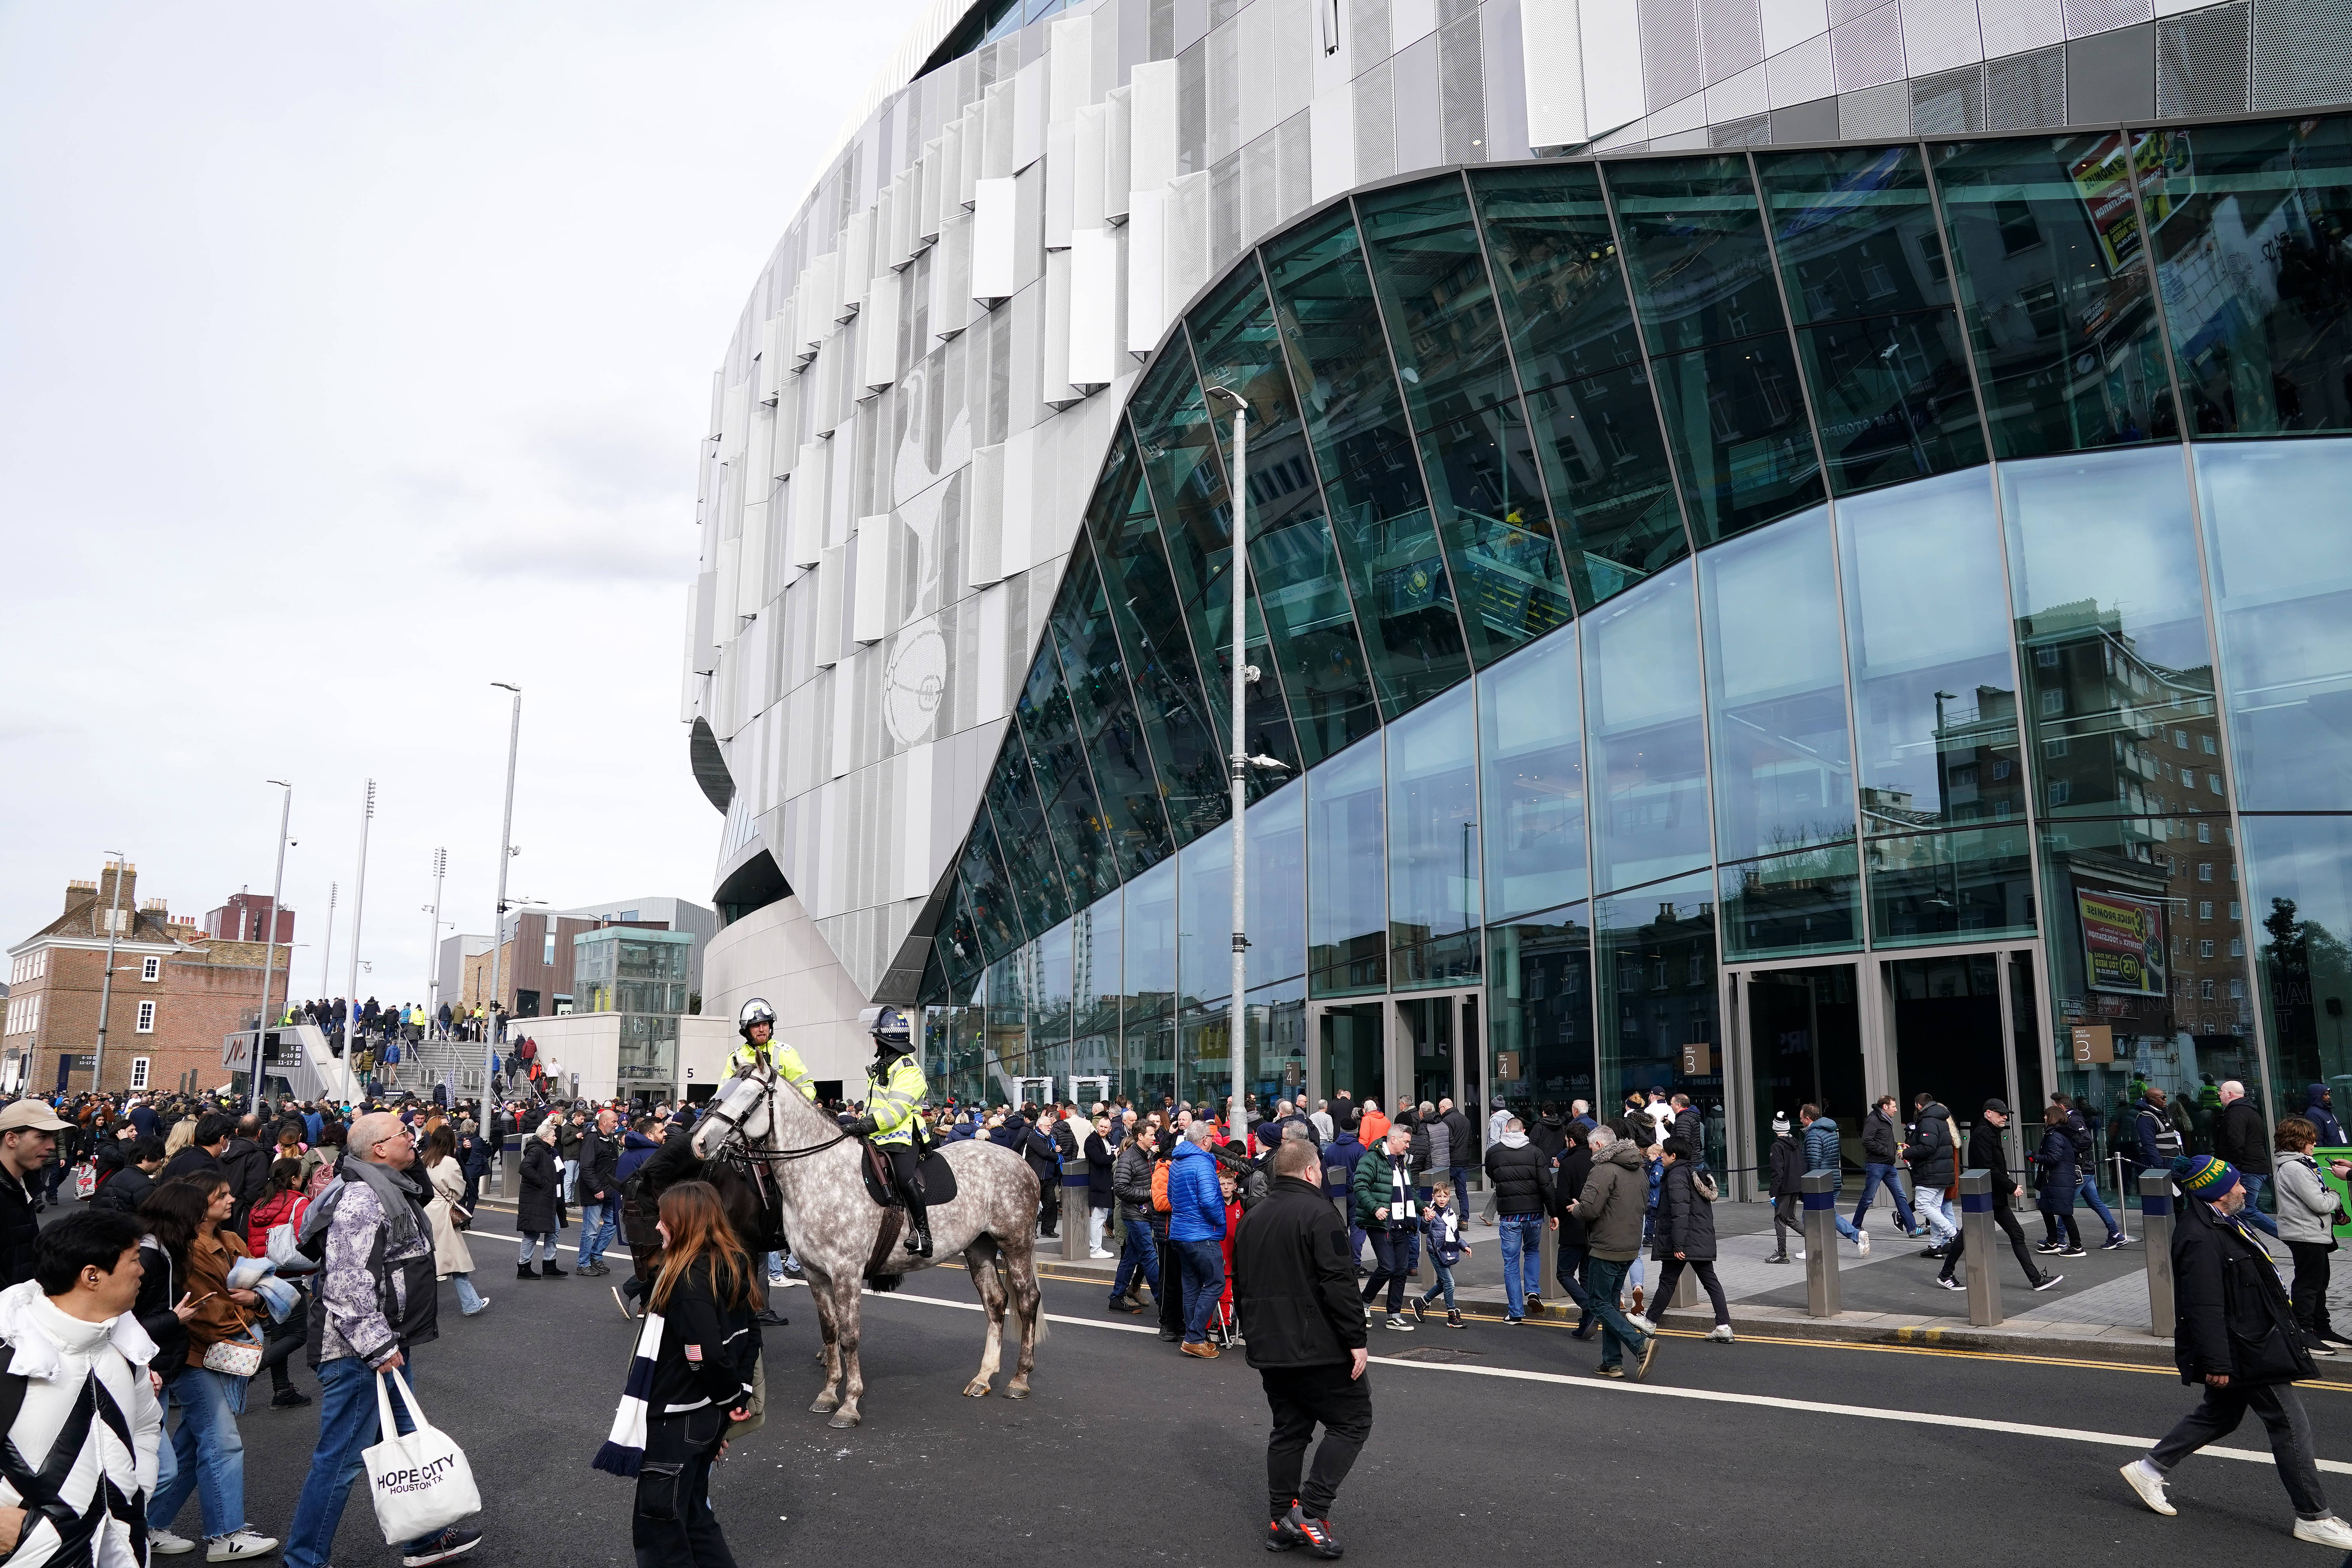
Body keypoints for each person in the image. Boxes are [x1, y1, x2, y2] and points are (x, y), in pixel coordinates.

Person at [2118, 1155, 2352, 1548]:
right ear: (2217, 1191)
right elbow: (2204, 1306)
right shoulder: (2199, 1236)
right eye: (2237, 1184)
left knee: (2221, 1415)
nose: (2244, 1189)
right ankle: (2313, 1516)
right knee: (2291, 1426)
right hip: (2246, 1349)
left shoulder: (2222, 1221)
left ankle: (2148, 1468)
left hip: (2250, 1339)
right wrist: (2218, 1363)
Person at [282, 1111, 477, 1568]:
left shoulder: (390, 1187)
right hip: (359, 1350)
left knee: (407, 1439)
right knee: (341, 1460)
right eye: (403, 1134)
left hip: (383, 1340)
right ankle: (303, 1559)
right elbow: (348, 1285)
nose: (413, 1139)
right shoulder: (362, 1198)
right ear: (378, 1149)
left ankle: (424, 1539)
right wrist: (379, 1347)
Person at [0, 1208, 165, 1568]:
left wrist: (137, 1489)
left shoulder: (125, 1344)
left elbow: (148, 1426)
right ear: (92, 1276)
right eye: (135, 1259)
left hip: (126, 1546)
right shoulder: (11, 1349)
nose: (143, 1270)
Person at [610, 1181, 760, 1568]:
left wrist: (727, 1404)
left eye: (664, 1218)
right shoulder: (730, 1264)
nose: (657, 1226)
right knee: (694, 1519)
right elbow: (749, 1337)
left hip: (676, 1420)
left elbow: (704, 1355)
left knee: (660, 1532)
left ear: (684, 1223)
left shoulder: (686, 1280)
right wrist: (731, 1406)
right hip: (703, 1418)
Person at [1232, 1135, 1367, 1559]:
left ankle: (1280, 1521)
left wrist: (1252, 1332)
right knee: (1352, 1421)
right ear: (1312, 1170)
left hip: (1268, 1343)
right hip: (1318, 1344)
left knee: (1289, 1429)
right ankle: (1311, 1509)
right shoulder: (1320, 1211)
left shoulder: (1254, 1217)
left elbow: (1241, 1282)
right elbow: (1339, 1282)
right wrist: (1356, 1339)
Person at [142, 1173, 278, 1561]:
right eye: (221, 1196)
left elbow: (268, 1290)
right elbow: (207, 1311)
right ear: (194, 1210)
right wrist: (253, 1306)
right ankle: (225, 1535)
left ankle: (151, 1524)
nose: (232, 1199)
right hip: (196, 1354)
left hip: (194, 1352)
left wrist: (256, 1298)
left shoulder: (214, 1241)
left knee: (188, 1445)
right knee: (222, 1443)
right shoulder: (176, 1250)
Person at [1936, 1100, 2061, 1295]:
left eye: (2006, 1114)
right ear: (1988, 1114)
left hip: (1992, 1195)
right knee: (1970, 1235)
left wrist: (2005, 1179)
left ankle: (2036, 1279)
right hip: (1986, 1195)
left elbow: (1992, 1166)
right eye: (2000, 1114)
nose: (2005, 1117)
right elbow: (1987, 1167)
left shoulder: (1990, 1133)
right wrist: (2011, 1187)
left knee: (2011, 1234)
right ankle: (1946, 1274)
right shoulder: (1982, 1135)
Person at [1562, 1126, 1659, 1380]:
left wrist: (1577, 1209)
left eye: (1593, 1147)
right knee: (1611, 1305)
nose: (1591, 1151)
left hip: (1606, 1247)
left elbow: (1591, 1210)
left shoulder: (1602, 1170)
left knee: (1598, 1303)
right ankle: (1612, 1363)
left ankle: (1640, 1345)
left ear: (1600, 1146)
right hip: (1629, 1247)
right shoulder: (1638, 1170)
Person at [843, 1007, 932, 1258]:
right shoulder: (884, 1066)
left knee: (904, 1178)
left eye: (876, 1038)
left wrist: (865, 1125)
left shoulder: (909, 1070)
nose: (874, 1041)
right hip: (877, 1136)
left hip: (904, 1137)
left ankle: (924, 1235)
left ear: (883, 1041)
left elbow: (897, 1111)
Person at [2272, 1117, 2350, 1354]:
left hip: (2314, 1233)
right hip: (2304, 1234)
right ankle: (2303, 1331)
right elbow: (2319, 1203)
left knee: (2320, 1281)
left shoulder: (2303, 1164)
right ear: (2297, 1142)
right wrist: (2336, 1197)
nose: (2315, 1145)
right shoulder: (2295, 1168)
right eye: (2310, 1140)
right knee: (2309, 1284)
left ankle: (2322, 1328)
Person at [244, 1158, 314, 1409]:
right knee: (298, 1335)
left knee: (281, 1335)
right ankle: (254, 1367)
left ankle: (283, 1390)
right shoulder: (299, 1202)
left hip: (266, 1277)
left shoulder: (260, 1204)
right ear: (295, 1179)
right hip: (292, 1276)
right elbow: (304, 1236)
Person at [1652, 1136, 1732, 1343]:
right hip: (1699, 1239)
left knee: (1668, 1280)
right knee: (1710, 1282)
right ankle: (1724, 1326)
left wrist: (1678, 1244)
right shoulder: (1691, 1172)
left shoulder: (1676, 1175)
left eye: (1664, 1153)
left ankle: (1650, 1321)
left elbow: (1680, 1211)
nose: (1661, 1156)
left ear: (1674, 1156)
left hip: (1685, 1241)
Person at [1349, 1124, 1418, 1332]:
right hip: (1381, 1223)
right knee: (1387, 1267)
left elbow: (1410, 1191)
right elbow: (1359, 1185)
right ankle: (1364, 1303)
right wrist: (1375, 1207)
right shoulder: (1372, 1158)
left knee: (1401, 1270)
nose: (1408, 1146)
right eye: (1406, 1142)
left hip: (1402, 1223)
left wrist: (1423, 1209)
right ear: (1394, 1139)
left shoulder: (1402, 1161)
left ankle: (1394, 1315)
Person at [1168, 1121, 1228, 1357]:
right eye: (1211, 1138)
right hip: (1202, 1234)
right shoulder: (1203, 1162)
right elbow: (1209, 1202)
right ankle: (1194, 1338)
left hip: (1181, 1233)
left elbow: (1172, 1198)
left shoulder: (1177, 1163)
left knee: (1191, 1285)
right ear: (1205, 1140)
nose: (1212, 1141)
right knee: (1215, 1283)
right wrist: (1221, 1220)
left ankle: (1195, 1338)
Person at [1482, 1116, 1549, 1324]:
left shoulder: (1494, 1152)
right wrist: (1554, 1212)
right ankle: (1533, 1291)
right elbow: (1546, 1184)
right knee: (1532, 1251)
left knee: (1511, 1263)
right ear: (1524, 1131)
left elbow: (1491, 1174)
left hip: (1509, 1215)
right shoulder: (1536, 1152)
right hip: (1534, 1214)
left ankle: (1516, 1313)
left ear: (1505, 1130)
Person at [421, 1129, 488, 1319]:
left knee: (429, 1263)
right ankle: (471, 1303)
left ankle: (470, 1302)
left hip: (425, 1211)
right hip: (443, 1213)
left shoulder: (423, 1158)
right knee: (455, 1262)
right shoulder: (450, 1162)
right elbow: (458, 1190)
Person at [0, 1100, 67, 1289]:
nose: (52, 1146)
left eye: (53, 1138)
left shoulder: (24, 1186)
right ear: (12, 1139)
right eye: (42, 1137)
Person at [1546, 1123, 1597, 1336]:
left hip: (1574, 1225)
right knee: (1586, 1276)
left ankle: (1589, 1308)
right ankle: (1585, 1324)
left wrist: (1555, 1214)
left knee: (1564, 1273)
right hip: (1594, 1227)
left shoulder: (1568, 1163)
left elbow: (1561, 1196)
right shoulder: (1598, 1161)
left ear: (1571, 1141)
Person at [2214, 1080, 2280, 1240]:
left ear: (2230, 1094)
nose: (2219, 1094)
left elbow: (2235, 1144)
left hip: (2247, 1168)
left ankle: (2288, 1236)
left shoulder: (2236, 1113)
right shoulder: (2249, 1111)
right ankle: (2244, 1243)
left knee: (2244, 1209)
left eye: (2221, 1091)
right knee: (2240, 1213)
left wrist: (2231, 1170)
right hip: (2252, 1166)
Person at [1797, 1105, 1867, 1254]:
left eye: (1802, 1118)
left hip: (1820, 1183)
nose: (1801, 1121)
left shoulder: (1813, 1135)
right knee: (1826, 1214)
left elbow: (1814, 1162)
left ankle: (1854, 1236)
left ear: (1808, 1119)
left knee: (1812, 1215)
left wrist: (1807, 1184)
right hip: (1833, 1179)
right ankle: (1823, 1245)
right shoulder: (1830, 1131)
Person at [1108, 1122, 1160, 1314]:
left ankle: (1117, 1297)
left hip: (1144, 1214)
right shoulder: (1128, 1159)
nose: (1154, 1138)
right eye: (1151, 1135)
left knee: (1131, 1257)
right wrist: (1150, 1194)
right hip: (1135, 1215)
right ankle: (1162, 1300)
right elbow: (1121, 1189)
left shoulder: (1147, 1156)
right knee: (1149, 1256)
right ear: (1140, 1137)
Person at [1902, 1094, 1960, 1257]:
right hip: (1942, 1172)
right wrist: (1912, 1146)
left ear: (1919, 1106)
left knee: (1922, 1205)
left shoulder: (1928, 1120)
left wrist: (1907, 1152)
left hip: (1930, 1172)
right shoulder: (1941, 1120)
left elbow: (1928, 1147)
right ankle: (1936, 1247)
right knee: (1935, 1208)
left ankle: (1952, 1232)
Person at [1852, 1094, 1917, 1238]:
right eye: (1893, 1107)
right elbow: (1867, 1141)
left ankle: (1912, 1229)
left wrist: (1897, 1146)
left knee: (1900, 1196)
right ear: (1885, 1107)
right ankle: (1856, 1225)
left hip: (1888, 1165)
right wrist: (1887, 1151)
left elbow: (1883, 1141)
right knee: (1869, 1198)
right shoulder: (1873, 1120)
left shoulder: (1886, 1121)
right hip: (1876, 1165)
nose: (1896, 1110)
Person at [728, 998, 815, 1098]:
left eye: (765, 1024)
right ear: (747, 1030)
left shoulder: (785, 1053)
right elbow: (724, 1093)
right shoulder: (734, 1057)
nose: (762, 1030)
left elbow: (806, 1086)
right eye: (756, 1025)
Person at [516, 1115, 569, 1279]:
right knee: (532, 1233)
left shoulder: (552, 1152)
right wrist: (544, 1184)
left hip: (552, 1199)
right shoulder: (537, 1150)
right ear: (544, 1137)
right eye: (553, 1136)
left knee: (555, 1230)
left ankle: (549, 1265)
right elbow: (525, 1167)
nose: (556, 1138)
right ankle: (524, 1267)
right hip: (538, 1199)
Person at [1410, 1181, 1468, 1328]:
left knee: (1443, 1283)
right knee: (1449, 1283)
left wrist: (1464, 1246)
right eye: (1439, 1196)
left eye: (1445, 1196)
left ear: (1449, 1198)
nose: (1442, 1199)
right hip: (1436, 1252)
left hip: (1448, 1251)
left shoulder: (1451, 1213)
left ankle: (1421, 1302)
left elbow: (1455, 1235)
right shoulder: (1431, 1212)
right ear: (1433, 1197)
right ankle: (1451, 1315)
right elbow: (1424, 1229)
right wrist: (1425, 1219)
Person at [576, 1108, 622, 1279]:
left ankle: (596, 1255)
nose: (617, 1125)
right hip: (595, 1192)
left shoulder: (609, 1139)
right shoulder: (592, 1139)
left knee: (613, 1224)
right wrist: (597, 1189)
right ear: (604, 1122)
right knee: (590, 1230)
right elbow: (586, 1168)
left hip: (609, 1190)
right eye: (614, 1122)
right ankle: (583, 1264)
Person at [2033, 1112, 2083, 1256]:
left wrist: (2035, 1157)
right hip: (2057, 1180)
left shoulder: (2055, 1136)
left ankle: (2077, 1247)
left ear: (2053, 1117)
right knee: (2046, 1209)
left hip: (2058, 1180)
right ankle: (2052, 1242)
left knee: (2065, 1213)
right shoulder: (2060, 1134)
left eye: (2046, 1115)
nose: (2044, 1118)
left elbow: (2053, 1158)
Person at [93, 1135, 165, 1218]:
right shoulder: (145, 1185)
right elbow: (150, 1217)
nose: (160, 1164)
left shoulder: (116, 1177)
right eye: (159, 1159)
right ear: (147, 1157)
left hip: (113, 1226)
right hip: (132, 1228)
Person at [1765, 1112, 1804, 1263]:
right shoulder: (1794, 1143)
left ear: (1775, 1128)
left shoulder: (1777, 1146)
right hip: (1795, 1186)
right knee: (1791, 1218)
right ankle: (1818, 1241)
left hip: (1784, 1188)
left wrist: (1773, 1193)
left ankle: (1782, 1254)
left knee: (1780, 1219)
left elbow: (1777, 1171)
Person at [1083, 1116, 1115, 1259]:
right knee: (1097, 1218)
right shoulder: (1091, 1140)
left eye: (1106, 1127)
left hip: (1106, 1184)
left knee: (1101, 1217)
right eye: (1101, 1126)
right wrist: (1115, 1156)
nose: (1103, 1129)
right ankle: (1095, 1248)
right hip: (1097, 1184)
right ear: (1098, 1126)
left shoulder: (1108, 1140)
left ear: (1110, 1129)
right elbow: (1099, 1159)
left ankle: (1097, 1247)